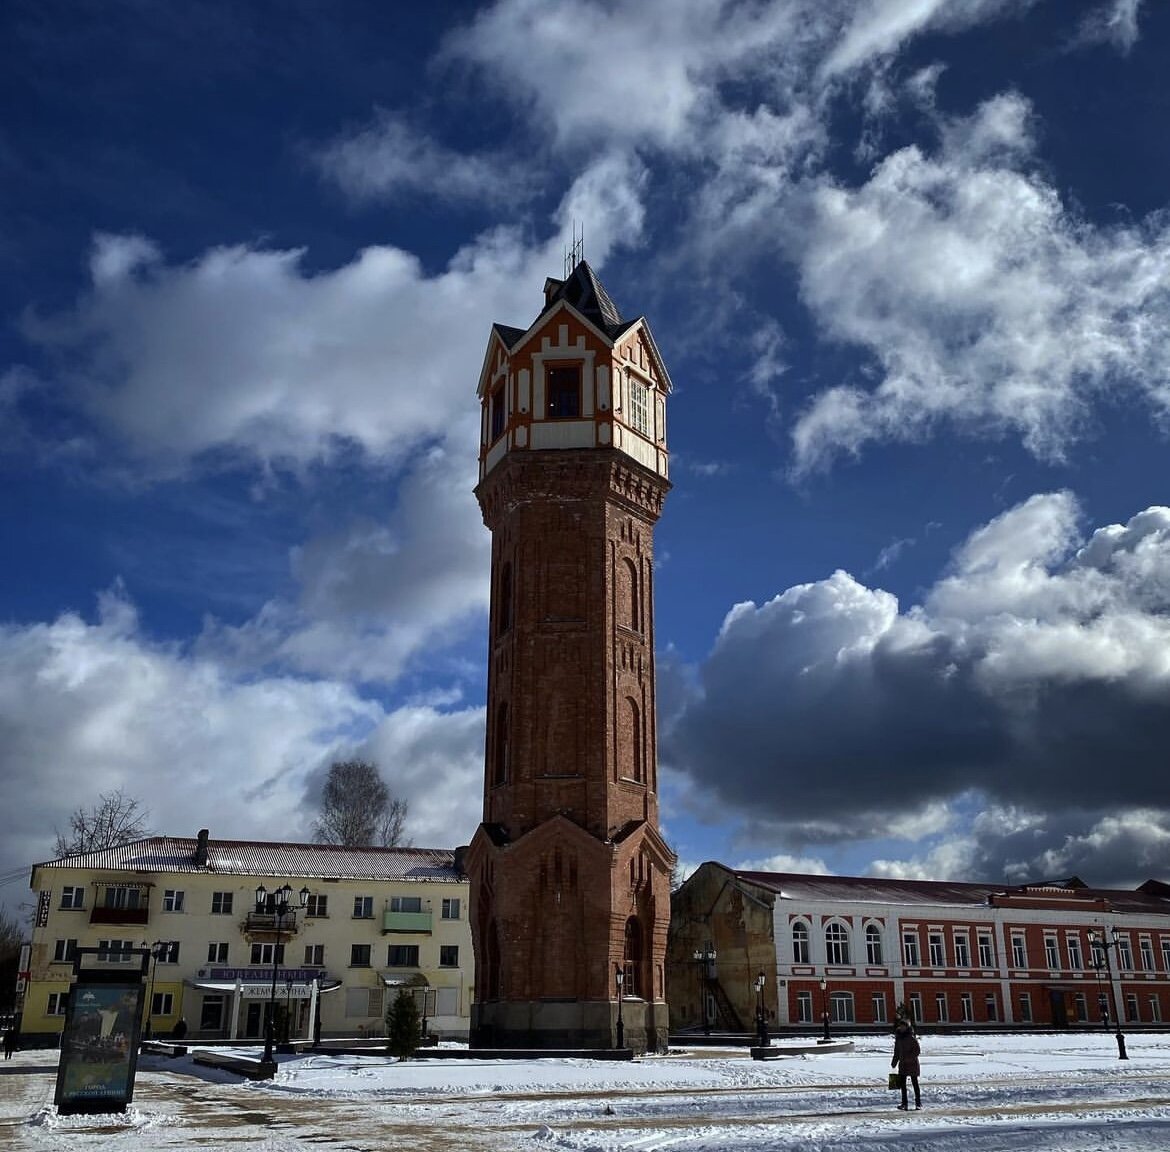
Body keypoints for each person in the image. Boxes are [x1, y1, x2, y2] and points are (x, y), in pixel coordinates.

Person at [891, 1019, 921, 1110]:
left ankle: (918, 1103)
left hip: (912, 1064)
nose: (902, 1028)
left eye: (903, 1026)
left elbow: (917, 1050)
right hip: (903, 1064)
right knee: (902, 1085)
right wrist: (894, 1061)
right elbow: (896, 1051)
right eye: (900, 1026)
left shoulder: (911, 1038)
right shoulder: (898, 1038)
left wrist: (909, 1058)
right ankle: (904, 1103)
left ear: (907, 1027)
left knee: (914, 1083)